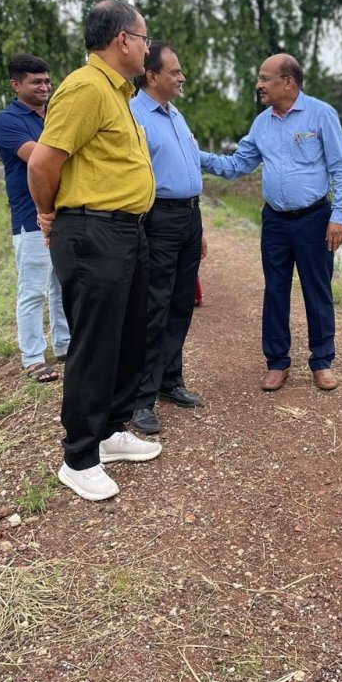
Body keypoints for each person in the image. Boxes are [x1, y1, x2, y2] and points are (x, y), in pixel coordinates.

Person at [27, 0, 161, 501]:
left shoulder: (116, 92)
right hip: (92, 231)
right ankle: (78, 457)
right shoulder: (85, 88)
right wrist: (47, 216)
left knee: (128, 336)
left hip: (127, 230)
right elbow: (43, 164)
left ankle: (109, 431)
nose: (148, 47)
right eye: (145, 38)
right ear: (123, 40)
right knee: (95, 343)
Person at [200, 54, 342, 392]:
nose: (259, 85)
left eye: (265, 78)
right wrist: (194, 156)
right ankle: (277, 362)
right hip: (275, 221)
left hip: (315, 218)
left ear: (288, 82)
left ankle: (322, 361)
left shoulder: (321, 114)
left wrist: (338, 216)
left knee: (317, 290)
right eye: (260, 78)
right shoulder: (262, 123)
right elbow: (238, 164)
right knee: (275, 291)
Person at [129, 42, 206, 435]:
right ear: (152, 75)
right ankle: (141, 398)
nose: (181, 78)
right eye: (174, 72)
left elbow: (189, 167)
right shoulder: (134, 114)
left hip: (189, 217)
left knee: (180, 303)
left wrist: (200, 223)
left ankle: (170, 380)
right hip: (158, 218)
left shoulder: (174, 114)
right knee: (153, 306)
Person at [0, 54, 69, 382]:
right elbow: (41, 158)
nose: (44, 87)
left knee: (63, 285)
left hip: (62, 213)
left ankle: (65, 344)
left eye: (47, 81)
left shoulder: (53, 115)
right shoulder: (8, 120)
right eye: (36, 82)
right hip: (30, 217)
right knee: (34, 289)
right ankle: (33, 357)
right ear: (16, 84)